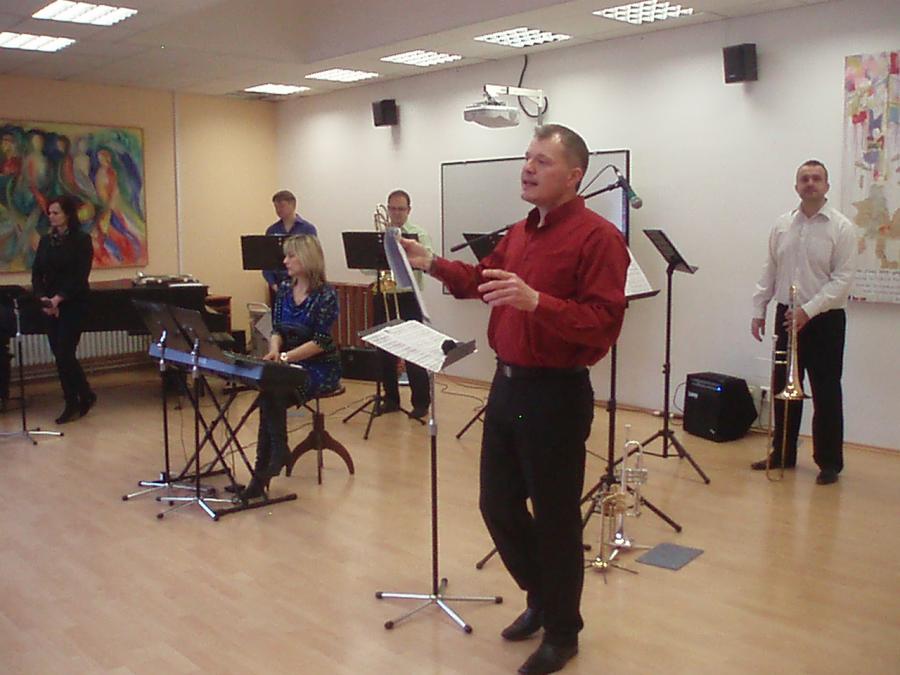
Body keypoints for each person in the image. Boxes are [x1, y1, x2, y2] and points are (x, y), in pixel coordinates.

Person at [400, 124, 628, 675]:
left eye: (542, 161)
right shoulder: (520, 232)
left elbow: (603, 323)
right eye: (527, 158)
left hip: (556, 394)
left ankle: (563, 632)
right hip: (507, 387)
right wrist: (431, 262)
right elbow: (482, 279)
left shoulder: (599, 239)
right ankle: (543, 596)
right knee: (496, 505)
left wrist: (538, 302)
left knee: (555, 519)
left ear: (574, 176)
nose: (527, 168)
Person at [750, 160, 857, 486]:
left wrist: (808, 311)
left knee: (826, 392)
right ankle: (782, 453)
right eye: (804, 179)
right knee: (784, 389)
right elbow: (770, 269)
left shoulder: (842, 228)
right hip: (787, 316)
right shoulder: (783, 225)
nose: (810, 183)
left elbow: (842, 280)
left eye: (816, 178)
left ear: (826, 186)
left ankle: (829, 462)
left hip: (825, 320)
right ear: (796, 186)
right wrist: (759, 308)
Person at [242, 234, 340, 500]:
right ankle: (269, 463)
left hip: (320, 366)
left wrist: (285, 358)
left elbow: (321, 342)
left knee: (272, 393)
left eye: (291, 256)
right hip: (289, 361)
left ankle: (267, 468)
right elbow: (276, 329)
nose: (285, 261)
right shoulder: (285, 289)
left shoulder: (326, 295)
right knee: (268, 393)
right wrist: (275, 350)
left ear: (307, 258)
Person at [31, 195, 96, 424]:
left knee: (65, 353)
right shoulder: (46, 241)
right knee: (60, 355)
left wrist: (59, 299)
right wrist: (44, 299)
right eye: (49, 213)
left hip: (73, 303)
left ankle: (73, 401)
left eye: (56, 212)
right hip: (50, 305)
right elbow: (37, 273)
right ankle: (85, 394)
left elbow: (80, 276)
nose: (51, 216)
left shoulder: (82, 240)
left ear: (68, 215)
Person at [371, 189, 433, 420]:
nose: (396, 213)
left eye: (401, 209)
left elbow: (427, 262)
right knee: (384, 351)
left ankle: (421, 402)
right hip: (384, 294)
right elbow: (366, 269)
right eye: (393, 208)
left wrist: (401, 250)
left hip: (408, 297)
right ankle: (391, 399)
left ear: (409, 210)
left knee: (413, 351)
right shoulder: (379, 236)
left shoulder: (419, 235)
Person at [262, 190, 318, 294]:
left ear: (293, 205)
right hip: (278, 285)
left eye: (282, 206)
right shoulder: (271, 230)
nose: (278, 210)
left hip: (303, 284)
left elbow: (313, 258)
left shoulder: (308, 229)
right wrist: (273, 284)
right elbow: (266, 262)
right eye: (276, 207)